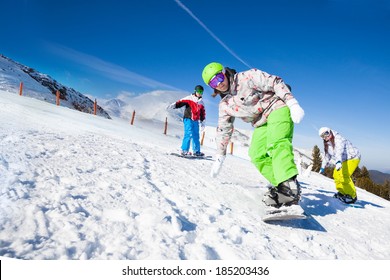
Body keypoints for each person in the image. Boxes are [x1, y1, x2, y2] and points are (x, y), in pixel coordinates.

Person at [202, 62, 305, 208]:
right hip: (260, 121)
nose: (219, 83)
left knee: (277, 143)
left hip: (276, 107)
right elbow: (224, 129)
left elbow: (275, 82)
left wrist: (292, 102)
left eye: (219, 77)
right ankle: (281, 186)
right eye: (213, 82)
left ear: (224, 72)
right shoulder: (226, 105)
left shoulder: (246, 77)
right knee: (256, 154)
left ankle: (289, 186)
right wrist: (220, 155)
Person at [318, 127, 361, 204]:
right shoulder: (328, 143)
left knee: (344, 175)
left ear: (329, 131)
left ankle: (352, 196)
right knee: (336, 175)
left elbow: (339, 151)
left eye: (326, 133)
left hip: (353, 157)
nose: (326, 137)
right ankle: (342, 192)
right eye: (323, 136)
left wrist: (338, 162)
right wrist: (322, 166)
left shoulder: (339, 139)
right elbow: (327, 156)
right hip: (343, 160)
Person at [167, 85, 206, 156]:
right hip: (188, 118)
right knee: (189, 133)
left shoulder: (201, 102)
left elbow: (202, 113)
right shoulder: (189, 98)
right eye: (198, 91)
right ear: (195, 91)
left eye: (201, 92)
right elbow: (181, 102)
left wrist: (202, 121)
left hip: (196, 120)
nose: (200, 93)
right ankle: (184, 150)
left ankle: (196, 151)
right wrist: (174, 105)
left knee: (196, 135)